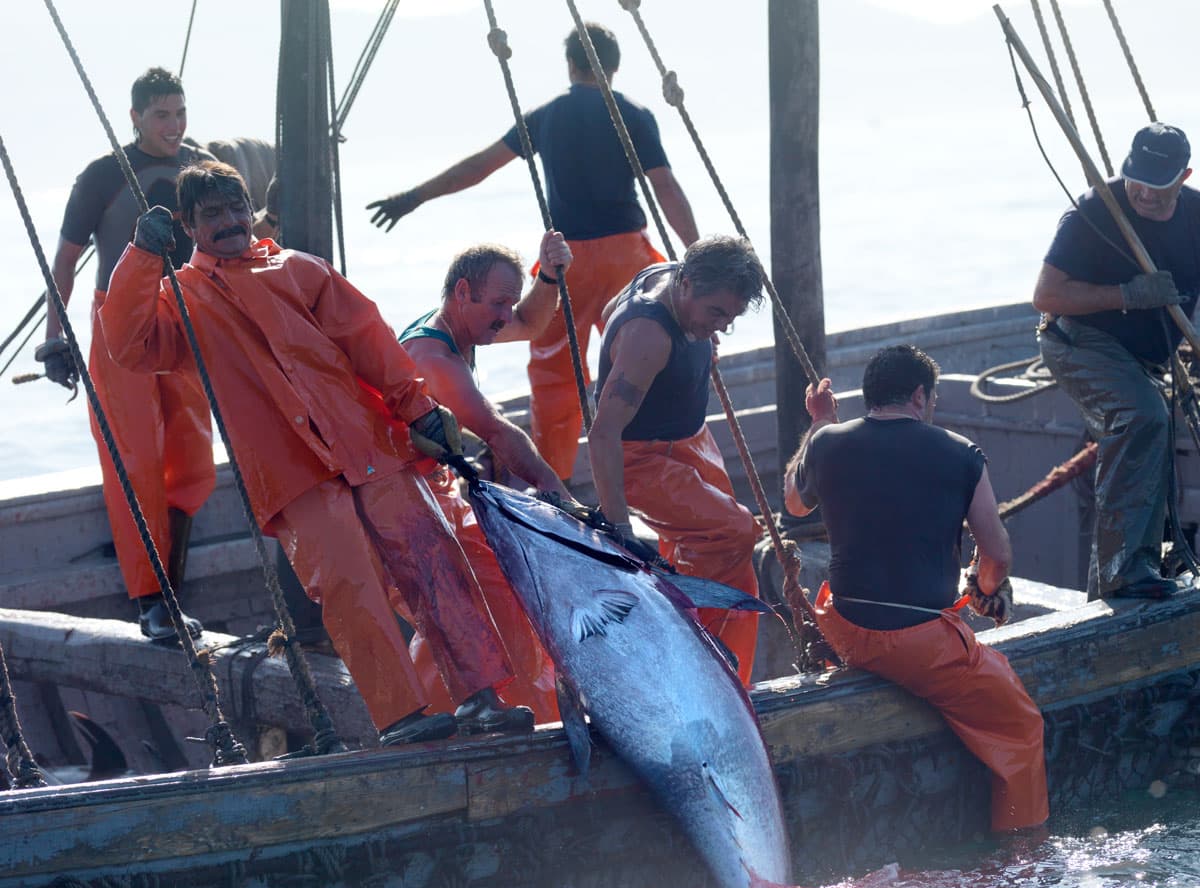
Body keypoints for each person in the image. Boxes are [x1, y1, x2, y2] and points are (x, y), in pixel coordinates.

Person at [100, 160, 533, 745]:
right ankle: (403, 718)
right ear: (187, 226)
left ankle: (480, 699)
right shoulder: (179, 299)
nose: (229, 222)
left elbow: (371, 343)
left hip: (369, 446)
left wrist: (418, 407)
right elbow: (127, 346)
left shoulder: (300, 269)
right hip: (291, 474)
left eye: (236, 208)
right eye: (211, 215)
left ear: (250, 208)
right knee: (350, 588)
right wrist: (139, 258)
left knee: (434, 560)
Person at [367, 22, 699, 481]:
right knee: (652, 361)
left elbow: (480, 166)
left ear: (570, 64)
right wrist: (694, 254)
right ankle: (672, 488)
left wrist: (414, 197)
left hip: (569, 263)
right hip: (630, 259)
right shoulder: (635, 115)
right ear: (614, 66)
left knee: (557, 383)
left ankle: (556, 487)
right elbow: (665, 186)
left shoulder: (546, 116)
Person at [783, 345, 1048, 834]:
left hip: (844, 627)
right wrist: (984, 588)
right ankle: (1023, 854)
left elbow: (795, 505)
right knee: (1021, 726)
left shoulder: (826, 443)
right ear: (920, 395)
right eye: (932, 397)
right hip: (917, 646)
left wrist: (820, 422)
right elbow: (998, 554)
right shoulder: (961, 453)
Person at [35, 67, 216, 640]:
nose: (173, 124)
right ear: (135, 116)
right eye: (161, 114)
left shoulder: (202, 166)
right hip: (118, 319)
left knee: (190, 461)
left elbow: (227, 236)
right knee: (133, 458)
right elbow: (64, 263)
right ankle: (150, 602)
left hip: (184, 315)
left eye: (180, 112)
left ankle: (173, 589)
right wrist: (55, 336)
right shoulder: (101, 177)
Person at [397, 232, 575, 723]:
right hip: (395, 501)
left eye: (509, 302)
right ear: (461, 293)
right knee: (467, 601)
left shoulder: (466, 328)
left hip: (434, 488)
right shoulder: (433, 358)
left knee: (496, 582)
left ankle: (519, 708)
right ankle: (459, 718)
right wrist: (555, 490)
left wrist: (549, 274)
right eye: (497, 303)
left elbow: (533, 323)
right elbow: (495, 432)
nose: (504, 316)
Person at [1032, 123, 1200, 600]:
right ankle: (1121, 574)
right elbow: (1045, 295)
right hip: (1079, 339)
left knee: (1156, 427)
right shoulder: (1096, 211)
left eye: (1158, 183)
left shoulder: (1197, 217)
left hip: (1144, 360)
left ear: (1183, 176)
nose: (1143, 192)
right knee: (1143, 417)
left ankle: (1130, 571)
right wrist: (1126, 296)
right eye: (1136, 178)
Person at [588, 236, 764, 686]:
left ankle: (716, 668)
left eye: (731, 316)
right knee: (735, 532)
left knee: (710, 545)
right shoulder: (648, 336)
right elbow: (603, 434)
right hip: (643, 458)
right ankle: (699, 664)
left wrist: (696, 352)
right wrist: (619, 526)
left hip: (691, 441)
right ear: (685, 284)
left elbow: (608, 308)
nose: (721, 326)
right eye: (716, 313)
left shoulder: (664, 270)